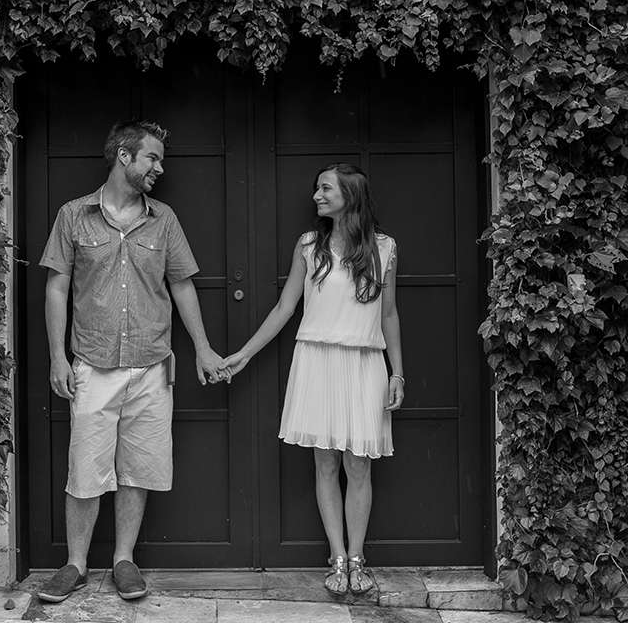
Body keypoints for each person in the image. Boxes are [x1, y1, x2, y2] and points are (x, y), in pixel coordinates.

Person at [37, 120, 229, 604]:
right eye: (152, 158)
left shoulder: (164, 219)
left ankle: (124, 560)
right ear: (124, 156)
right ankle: (75, 564)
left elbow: (181, 284)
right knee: (85, 469)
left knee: (138, 468)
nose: (159, 168)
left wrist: (203, 347)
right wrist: (58, 357)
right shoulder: (73, 216)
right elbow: (57, 287)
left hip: (151, 365)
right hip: (93, 363)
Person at [224, 162, 405, 595]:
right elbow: (285, 308)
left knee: (358, 465)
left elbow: (389, 314)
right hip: (317, 360)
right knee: (325, 463)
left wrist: (398, 372)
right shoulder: (309, 245)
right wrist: (244, 354)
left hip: (364, 362)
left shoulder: (385, 248)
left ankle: (358, 558)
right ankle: (337, 557)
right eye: (317, 189)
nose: (316, 196)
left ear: (349, 194)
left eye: (325, 189)